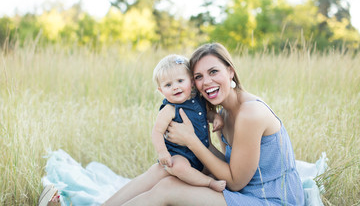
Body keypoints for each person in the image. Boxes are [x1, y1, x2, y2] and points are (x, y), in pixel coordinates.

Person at [105, 43, 305, 206]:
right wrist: (195, 144)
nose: (206, 82)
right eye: (199, 76)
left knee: (167, 189)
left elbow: (235, 182)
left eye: (213, 72)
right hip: (246, 192)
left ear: (230, 72)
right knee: (164, 170)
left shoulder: (250, 114)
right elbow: (228, 165)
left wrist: (191, 140)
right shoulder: (222, 113)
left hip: (271, 199)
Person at [103, 54, 226, 205]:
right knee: (179, 167)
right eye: (168, 85)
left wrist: (216, 118)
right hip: (179, 154)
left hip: (199, 154)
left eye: (180, 81)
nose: (175, 87)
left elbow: (208, 114)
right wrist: (162, 152)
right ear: (161, 91)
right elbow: (157, 132)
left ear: (192, 82)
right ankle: (208, 182)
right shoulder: (169, 109)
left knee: (218, 167)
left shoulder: (198, 101)